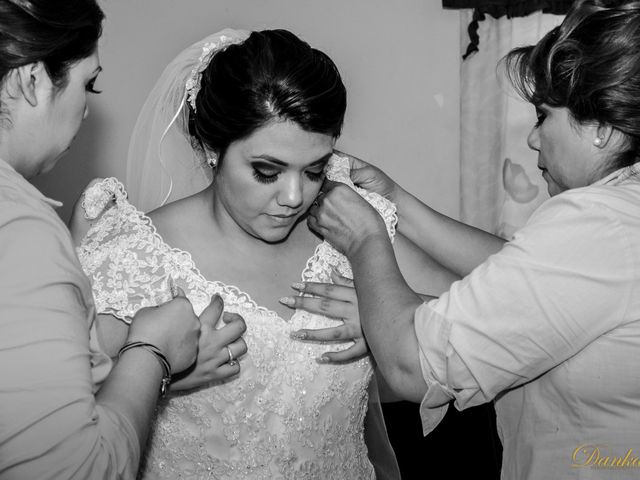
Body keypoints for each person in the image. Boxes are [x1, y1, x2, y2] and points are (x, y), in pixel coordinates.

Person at [75, 28, 457, 479]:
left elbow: (487, 326)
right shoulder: (132, 255)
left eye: (314, 170)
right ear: (213, 147)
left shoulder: (349, 232)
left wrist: (388, 315)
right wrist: (161, 379)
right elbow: (69, 431)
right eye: (267, 171)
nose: (294, 196)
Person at [296, 0, 640, 478]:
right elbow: (530, 275)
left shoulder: (600, 221)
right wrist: (397, 202)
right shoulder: (623, 215)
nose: (533, 140)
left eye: (543, 116)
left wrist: (366, 238)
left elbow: (411, 365)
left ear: (601, 127)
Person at [0, 1, 245, 478]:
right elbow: (77, 470)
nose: (87, 109)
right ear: (31, 80)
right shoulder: (21, 230)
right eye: (87, 83)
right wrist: (151, 351)